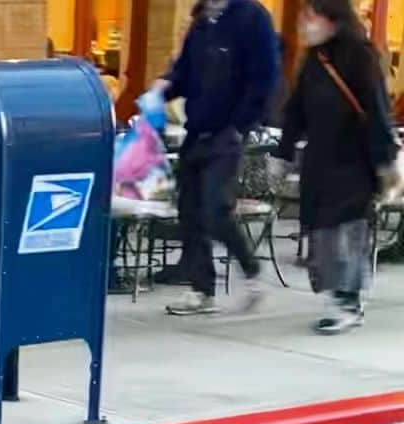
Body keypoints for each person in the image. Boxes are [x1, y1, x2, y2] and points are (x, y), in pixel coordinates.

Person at [272, 0, 400, 334]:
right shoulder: (315, 59)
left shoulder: (361, 56)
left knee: (346, 231)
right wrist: (283, 153)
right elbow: (296, 110)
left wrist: (385, 162)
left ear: (333, 20)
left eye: (311, 17)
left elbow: (377, 109)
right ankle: (336, 294)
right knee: (322, 230)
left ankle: (348, 300)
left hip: (355, 161)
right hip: (320, 160)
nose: (304, 24)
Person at [151, 0, 280, 316]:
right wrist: (163, 87)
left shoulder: (251, 17)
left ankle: (251, 271)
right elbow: (185, 73)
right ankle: (201, 289)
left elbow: (264, 76)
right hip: (197, 129)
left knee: (215, 208)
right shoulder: (201, 23)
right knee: (189, 210)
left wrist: (241, 124)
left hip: (228, 132)